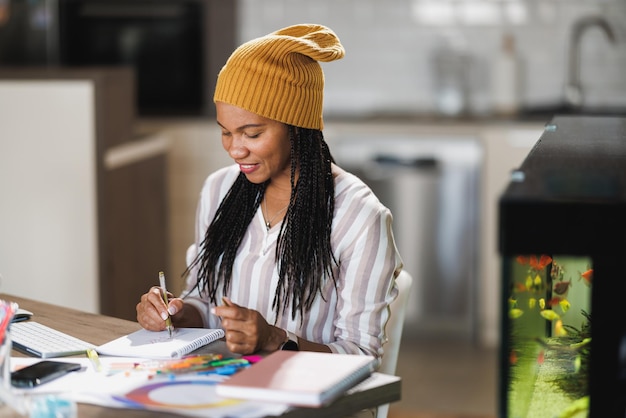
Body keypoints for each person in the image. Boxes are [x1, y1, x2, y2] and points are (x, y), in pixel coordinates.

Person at [136, 23, 403, 360]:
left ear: (297, 127)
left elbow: (362, 356)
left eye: (251, 133)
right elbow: (204, 301)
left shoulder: (359, 217)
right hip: (222, 381)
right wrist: (174, 312)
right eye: (226, 133)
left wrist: (276, 340)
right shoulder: (218, 190)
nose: (235, 150)